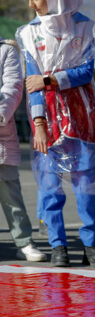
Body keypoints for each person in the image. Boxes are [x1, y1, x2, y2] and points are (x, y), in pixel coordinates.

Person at [18, 0, 95, 268]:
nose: (32, 5)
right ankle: (58, 245)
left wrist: (51, 80)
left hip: (83, 117)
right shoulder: (29, 34)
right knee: (50, 186)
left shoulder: (84, 27)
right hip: (47, 121)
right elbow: (32, 83)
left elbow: (86, 72)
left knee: (87, 185)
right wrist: (39, 124)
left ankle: (91, 244)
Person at [0, 37, 46, 262]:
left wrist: (1, 112)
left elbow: (13, 87)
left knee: (10, 194)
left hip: (1, 137)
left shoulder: (6, 51)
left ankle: (24, 241)